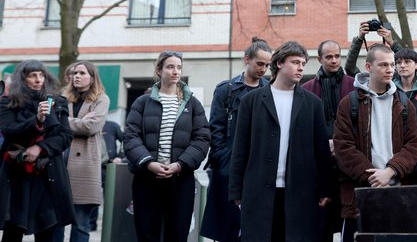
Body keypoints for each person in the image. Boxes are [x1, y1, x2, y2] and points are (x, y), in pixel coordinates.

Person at [228, 41, 332, 242]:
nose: (301, 67)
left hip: (301, 193)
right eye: (295, 62)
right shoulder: (251, 101)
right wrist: (235, 189)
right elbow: (240, 147)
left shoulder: (313, 104)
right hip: (258, 191)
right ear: (279, 64)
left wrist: (325, 188)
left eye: (303, 63)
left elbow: (321, 151)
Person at [333, 44, 417, 242]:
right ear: (368, 67)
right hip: (360, 197)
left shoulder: (405, 104)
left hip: (398, 194)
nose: (390, 69)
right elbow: (343, 148)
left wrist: (390, 172)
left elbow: (414, 145)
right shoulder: (349, 104)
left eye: (392, 64)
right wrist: (374, 177)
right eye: (383, 65)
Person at [123, 51, 210, 242]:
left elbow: (202, 139)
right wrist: (148, 163)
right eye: (170, 67)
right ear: (159, 70)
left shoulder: (193, 104)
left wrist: (180, 164)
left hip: (180, 179)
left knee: (177, 235)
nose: (175, 72)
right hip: (147, 179)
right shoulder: (143, 102)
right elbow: (130, 136)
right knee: (147, 235)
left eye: (179, 67)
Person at [201, 37, 272, 242]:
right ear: (246, 60)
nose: (263, 69)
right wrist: (223, 159)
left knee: (255, 229)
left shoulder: (269, 90)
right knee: (227, 230)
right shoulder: (227, 89)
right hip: (229, 167)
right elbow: (216, 127)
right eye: (260, 63)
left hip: (259, 168)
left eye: (267, 65)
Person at [0, 60, 75, 241]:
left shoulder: (57, 101)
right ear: (22, 78)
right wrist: (37, 120)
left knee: (47, 228)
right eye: (33, 75)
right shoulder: (7, 102)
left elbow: (64, 136)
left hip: (48, 174)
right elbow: (9, 130)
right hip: (17, 175)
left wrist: (40, 148)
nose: (38, 79)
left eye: (41, 75)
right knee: (13, 228)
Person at [301, 40, 355, 241]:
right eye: (329, 57)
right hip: (319, 167)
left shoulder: (353, 85)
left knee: (347, 224)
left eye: (337, 56)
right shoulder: (307, 89)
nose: (334, 61)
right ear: (319, 59)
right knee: (320, 225)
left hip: (348, 166)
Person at [53, 61, 109, 242]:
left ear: (92, 78)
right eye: (75, 73)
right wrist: (78, 121)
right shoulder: (63, 97)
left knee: (81, 223)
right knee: (55, 221)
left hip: (85, 166)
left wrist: (65, 121)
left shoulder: (102, 99)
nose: (77, 76)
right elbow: (52, 124)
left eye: (82, 73)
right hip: (60, 163)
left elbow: (90, 127)